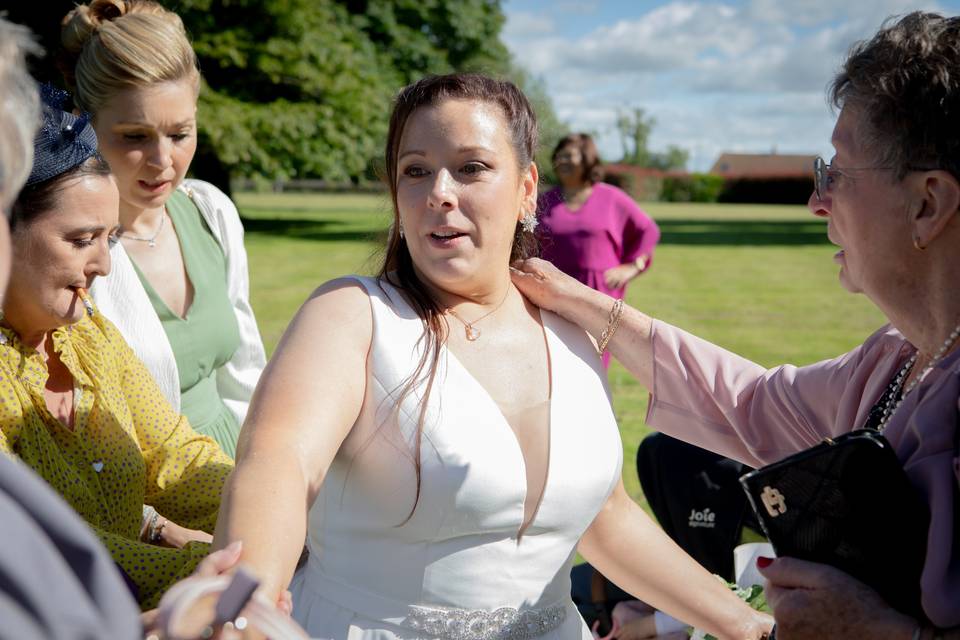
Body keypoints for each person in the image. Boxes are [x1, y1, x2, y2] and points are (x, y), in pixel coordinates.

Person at [211, 73, 771, 640]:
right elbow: (278, 464)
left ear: (528, 189)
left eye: (471, 167)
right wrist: (241, 608)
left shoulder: (572, 332)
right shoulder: (352, 314)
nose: (439, 193)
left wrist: (748, 624)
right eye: (416, 171)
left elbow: (605, 519)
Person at [511, 11, 960, 639]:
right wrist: (581, 301)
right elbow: (750, 402)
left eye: (837, 172)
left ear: (928, 203)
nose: (817, 199)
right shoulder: (897, 358)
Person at [1, 95, 234, 611]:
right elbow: (53, 548)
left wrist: (271, 506)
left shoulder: (90, 337)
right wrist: (212, 570)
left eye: (112, 238)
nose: (104, 265)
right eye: (81, 240)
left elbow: (174, 453)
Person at [58, 0, 266, 457]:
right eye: (134, 136)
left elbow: (245, 376)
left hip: (231, 468)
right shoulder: (63, 247)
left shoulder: (211, 211)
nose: (162, 162)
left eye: (179, 134)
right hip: (134, 499)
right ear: (83, 121)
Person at [538, 133, 660, 368]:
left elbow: (648, 230)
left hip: (598, 295)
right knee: (555, 364)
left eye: (569, 156)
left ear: (587, 159)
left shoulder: (611, 198)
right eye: (559, 156)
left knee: (592, 367)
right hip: (552, 293)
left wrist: (631, 267)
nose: (562, 161)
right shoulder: (545, 200)